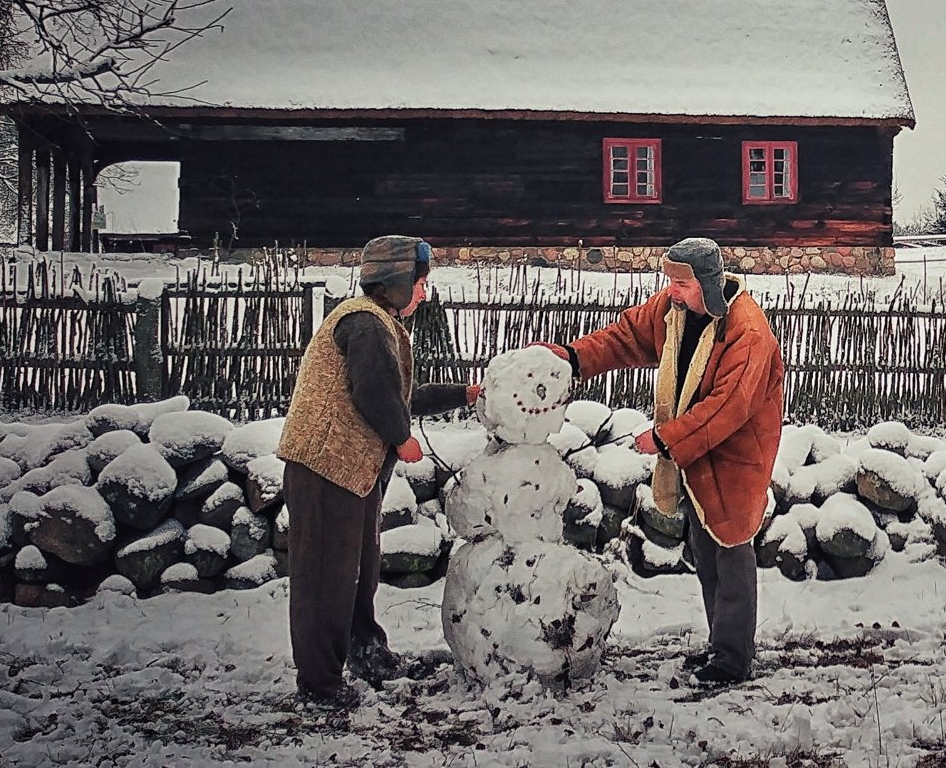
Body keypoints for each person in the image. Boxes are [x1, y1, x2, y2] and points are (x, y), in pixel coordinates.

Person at [536, 237, 785, 687]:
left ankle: (733, 658)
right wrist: (574, 358)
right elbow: (625, 337)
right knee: (706, 553)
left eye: (681, 283)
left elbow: (728, 406)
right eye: (669, 280)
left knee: (730, 551)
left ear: (706, 284)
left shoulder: (747, 332)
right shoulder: (674, 312)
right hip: (695, 451)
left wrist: (665, 438)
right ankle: (721, 647)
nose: (671, 290)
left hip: (735, 455)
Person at [277, 235, 483, 706]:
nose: (425, 293)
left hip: (349, 472)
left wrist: (463, 395)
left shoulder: (376, 322)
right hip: (326, 466)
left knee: (357, 572)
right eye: (421, 282)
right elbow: (373, 394)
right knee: (326, 578)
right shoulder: (366, 323)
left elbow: (396, 395)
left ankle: (366, 652)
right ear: (397, 282)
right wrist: (400, 437)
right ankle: (320, 685)